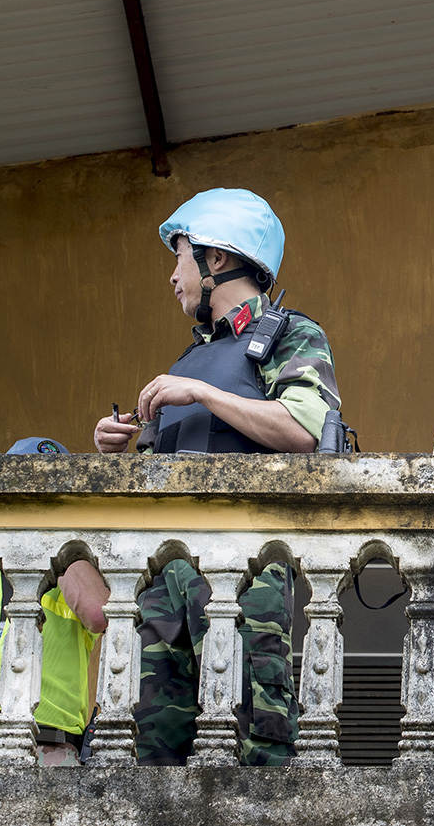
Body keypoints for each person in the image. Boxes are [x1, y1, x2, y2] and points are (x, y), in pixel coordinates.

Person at [91, 188, 341, 764]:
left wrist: (202, 393)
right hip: (165, 575)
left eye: (180, 257)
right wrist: (117, 449)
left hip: (245, 566)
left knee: (256, 735)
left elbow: (304, 430)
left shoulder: (290, 334)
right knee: (148, 747)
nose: (172, 276)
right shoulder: (187, 360)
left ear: (216, 260)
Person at [0, 437, 110, 766]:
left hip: (48, 744)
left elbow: (97, 614)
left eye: (50, 489)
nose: (33, 497)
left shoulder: (77, 563)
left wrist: (55, 542)